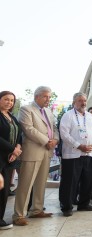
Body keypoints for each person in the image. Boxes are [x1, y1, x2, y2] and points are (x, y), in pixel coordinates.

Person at [13, 86, 59, 226]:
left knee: (41, 183)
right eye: (45, 96)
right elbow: (28, 129)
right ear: (36, 96)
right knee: (25, 184)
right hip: (33, 151)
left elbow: (54, 127)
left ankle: (36, 210)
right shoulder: (26, 109)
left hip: (47, 151)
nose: (48, 99)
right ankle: (19, 215)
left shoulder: (48, 111)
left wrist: (55, 140)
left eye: (49, 97)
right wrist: (47, 141)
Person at [59, 92, 92, 216]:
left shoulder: (91, 117)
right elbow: (64, 134)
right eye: (80, 100)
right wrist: (79, 145)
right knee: (70, 182)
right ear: (74, 102)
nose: (83, 103)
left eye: (84, 100)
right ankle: (66, 207)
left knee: (88, 181)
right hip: (73, 154)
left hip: (89, 153)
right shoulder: (68, 115)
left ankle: (84, 204)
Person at [0, 91, 22, 229]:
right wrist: (12, 149)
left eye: (12, 100)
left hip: (10, 158)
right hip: (1, 155)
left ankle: (0, 219)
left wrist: (18, 148)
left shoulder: (12, 117)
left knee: (5, 191)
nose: (9, 102)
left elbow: (19, 134)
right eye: (6, 99)